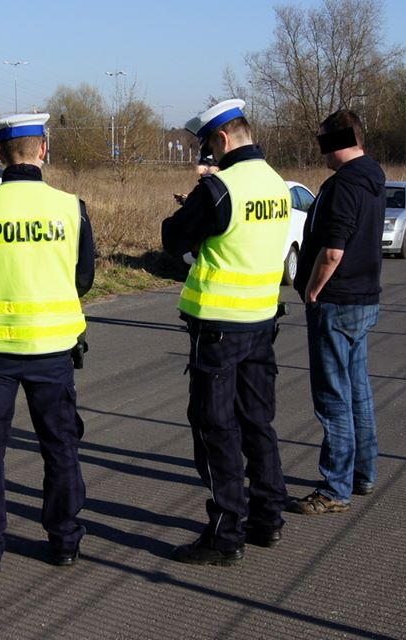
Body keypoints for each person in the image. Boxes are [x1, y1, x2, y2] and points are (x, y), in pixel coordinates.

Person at [0, 113, 96, 575]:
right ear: (43, 150)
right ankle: (65, 541)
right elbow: (85, 278)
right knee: (60, 447)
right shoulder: (72, 207)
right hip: (53, 352)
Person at [161, 99, 291, 566]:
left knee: (215, 428)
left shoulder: (218, 188)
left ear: (221, 139)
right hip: (262, 321)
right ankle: (268, 517)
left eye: (208, 148)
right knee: (258, 421)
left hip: (218, 327)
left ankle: (224, 533)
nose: (209, 158)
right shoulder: (277, 185)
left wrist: (193, 208)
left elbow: (172, 240)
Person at [290, 109, 385, 514]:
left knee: (332, 398)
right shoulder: (373, 176)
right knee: (357, 391)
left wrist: (312, 290)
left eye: (323, 141)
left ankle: (335, 487)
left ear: (339, 140)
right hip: (363, 298)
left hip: (337, 300)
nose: (321, 151)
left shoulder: (345, 184)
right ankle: (362, 473)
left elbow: (333, 250)